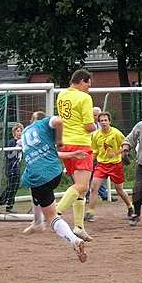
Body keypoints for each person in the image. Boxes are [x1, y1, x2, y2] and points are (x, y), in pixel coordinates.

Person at [20, 111, 88, 262]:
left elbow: (58, 121)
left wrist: (59, 141)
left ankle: (69, 238)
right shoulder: (43, 126)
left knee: (51, 216)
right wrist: (69, 153)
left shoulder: (26, 132)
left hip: (39, 177)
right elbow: (57, 127)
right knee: (36, 187)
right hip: (55, 173)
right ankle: (38, 223)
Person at [54, 69, 96, 242]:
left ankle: (79, 226)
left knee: (81, 187)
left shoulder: (62, 95)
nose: (89, 89)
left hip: (66, 144)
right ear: (82, 81)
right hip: (80, 144)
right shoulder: (84, 98)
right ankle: (56, 212)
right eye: (88, 84)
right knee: (81, 186)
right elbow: (87, 125)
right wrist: (94, 126)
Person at [85, 111, 135, 221]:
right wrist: (89, 162)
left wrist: (117, 153)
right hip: (102, 165)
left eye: (105, 120)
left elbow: (126, 146)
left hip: (115, 165)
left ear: (109, 122)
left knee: (119, 190)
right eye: (101, 121)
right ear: (98, 122)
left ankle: (130, 207)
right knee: (94, 187)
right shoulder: (96, 135)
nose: (103, 123)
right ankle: (90, 212)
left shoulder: (116, 133)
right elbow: (95, 151)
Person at [0, 122, 24, 212]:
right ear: (14, 132)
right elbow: (9, 156)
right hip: (11, 168)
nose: (19, 133)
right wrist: (17, 146)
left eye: (21, 131)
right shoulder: (11, 142)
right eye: (18, 131)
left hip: (17, 168)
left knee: (14, 186)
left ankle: (3, 202)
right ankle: (5, 203)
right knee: (12, 187)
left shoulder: (22, 143)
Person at [88, 106, 109, 203]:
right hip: (90, 153)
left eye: (97, 115)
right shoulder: (88, 125)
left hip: (101, 153)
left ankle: (104, 194)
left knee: (101, 174)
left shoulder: (102, 125)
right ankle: (87, 195)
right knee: (89, 175)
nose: (96, 117)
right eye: (94, 115)